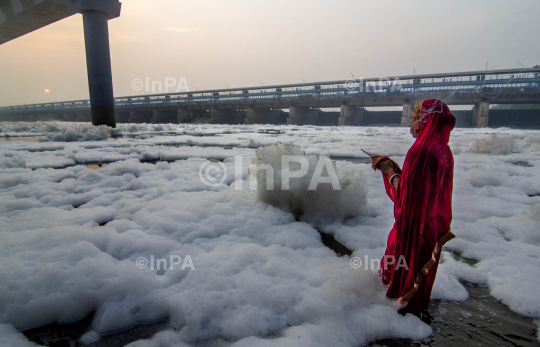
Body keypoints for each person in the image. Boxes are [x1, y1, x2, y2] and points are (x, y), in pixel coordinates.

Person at [371, 99, 456, 321]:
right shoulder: (443, 150)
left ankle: (401, 323)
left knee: (404, 290)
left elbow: (407, 198)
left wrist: (389, 171)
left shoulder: (420, 152)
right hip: (432, 228)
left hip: (415, 230)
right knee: (421, 281)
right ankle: (417, 317)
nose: (411, 124)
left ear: (425, 120)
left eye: (414, 118)